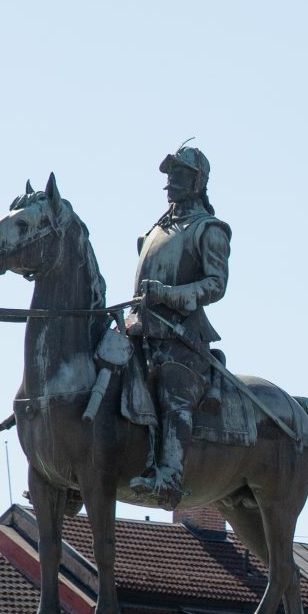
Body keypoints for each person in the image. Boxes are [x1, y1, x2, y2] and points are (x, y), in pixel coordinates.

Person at [125, 144, 232, 508]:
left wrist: (170, 295)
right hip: (140, 329)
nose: (171, 181)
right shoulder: (157, 228)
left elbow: (216, 285)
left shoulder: (209, 230)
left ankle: (169, 476)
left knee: (173, 392)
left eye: (180, 174)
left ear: (198, 182)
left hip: (182, 337)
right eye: (170, 174)